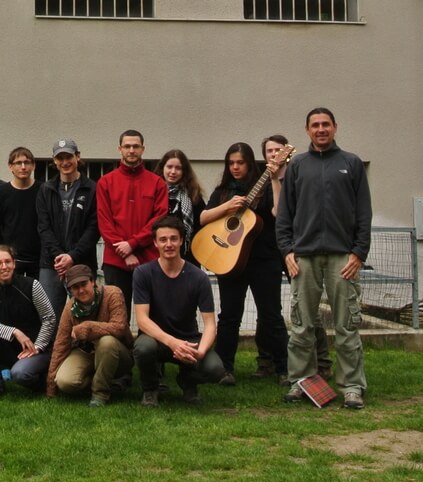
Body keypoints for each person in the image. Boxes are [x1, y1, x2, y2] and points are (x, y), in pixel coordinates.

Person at [277, 107, 372, 410]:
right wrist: (287, 251)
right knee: (302, 324)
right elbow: (285, 214)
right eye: (315, 125)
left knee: (346, 325)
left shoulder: (351, 163)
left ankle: (352, 387)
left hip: (342, 258)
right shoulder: (297, 166)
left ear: (335, 127)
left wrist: (359, 252)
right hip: (303, 257)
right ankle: (300, 381)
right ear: (307, 130)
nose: (321, 129)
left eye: (326, 124)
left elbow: (364, 213)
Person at [200, 142, 288, 387]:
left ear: (250, 163)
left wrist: (274, 179)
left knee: (271, 316)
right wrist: (227, 206)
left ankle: (284, 368)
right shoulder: (223, 191)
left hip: (264, 261)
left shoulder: (266, 186)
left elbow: (279, 213)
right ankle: (224, 369)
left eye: (240, 162)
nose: (235, 167)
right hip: (230, 262)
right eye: (231, 163)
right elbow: (203, 217)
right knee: (229, 317)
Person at [133, 215, 226, 406]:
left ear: (182, 240)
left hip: (188, 339)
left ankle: (188, 381)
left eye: (173, 239)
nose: (169, 244)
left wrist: (200, 352)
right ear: (155, 243)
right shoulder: (143, 273)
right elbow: (142, 320)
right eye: (163, 239)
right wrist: (172, 343)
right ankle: (150, 389)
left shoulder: (199, 277)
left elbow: (210, 325)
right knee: (143, 348)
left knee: (215, 370)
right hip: (156, 339)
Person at [260, 133, 331, 381]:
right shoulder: (263, 180)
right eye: (269, 151)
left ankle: (322, 361)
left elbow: (280, 212)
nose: (273, 154)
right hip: (270, 250)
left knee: (307, 306)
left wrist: (276, 180)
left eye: (277, 150)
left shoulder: (299, 175)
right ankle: (267, 360)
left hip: (296, 248)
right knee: (268, 308)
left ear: (287, 153)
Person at [97, 129, 170, 313]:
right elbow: (104, 222)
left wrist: (133, 243)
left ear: (143, 149)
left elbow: (159, 219)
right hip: (115, 261)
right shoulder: (105, 182)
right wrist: (124, 252)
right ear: (119, 149)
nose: (131, 150)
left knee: (153, 315)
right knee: (117, 317)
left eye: (136, 146)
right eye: (127, 146)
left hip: (149, 259)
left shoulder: (157, 183)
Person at [0, 245, 57, 399]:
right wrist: (14, 332)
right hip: (6, 345)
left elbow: (49, 318)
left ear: (14, 263)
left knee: (20, 374)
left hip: (34, 347)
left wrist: (38, 346)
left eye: (8, 261)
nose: (4, 266)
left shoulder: (32, 285)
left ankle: (44, 381)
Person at [44, 264, 132, 407]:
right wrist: (50, 387)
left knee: (107, 342)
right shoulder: (70, 308)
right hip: (86, 351)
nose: (81, 290)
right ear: (70, 290)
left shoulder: (113, 293)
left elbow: (120, 327)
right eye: (75, 287)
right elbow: (60, 345)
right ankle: (102, 381)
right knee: (65, 382)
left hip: (117, 353)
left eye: (84, 284)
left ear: (93, 281)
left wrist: (88, 327)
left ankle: (100, 394)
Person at [36, 139, 99, 317]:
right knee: (49, 317)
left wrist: (72, 256)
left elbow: (94, 228)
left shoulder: (92, 189)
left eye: (69, 157)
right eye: (60, 158)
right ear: (54, 161)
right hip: (51, 264)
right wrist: (59, 257)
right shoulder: (46, 189)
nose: (65, 162)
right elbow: (43, 227)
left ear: (77, 157)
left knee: (86, 314)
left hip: (82, 261)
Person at [0, 146, 43, 277]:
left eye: (27, 162)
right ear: (10, 166)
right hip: (10, 259)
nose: (23, 167)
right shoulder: (1, 192)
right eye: (18, 163)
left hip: (38, 258)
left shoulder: (43, 190)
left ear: (33, 166)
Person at [156, 148, 205, 264]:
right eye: (169, 167)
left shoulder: (193, 195)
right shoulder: (153, 193)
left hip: (187, 257)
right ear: (162, 168)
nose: (173, 172)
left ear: (184, 171)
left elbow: (201, 226)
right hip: (157, 257)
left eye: (178, 168)